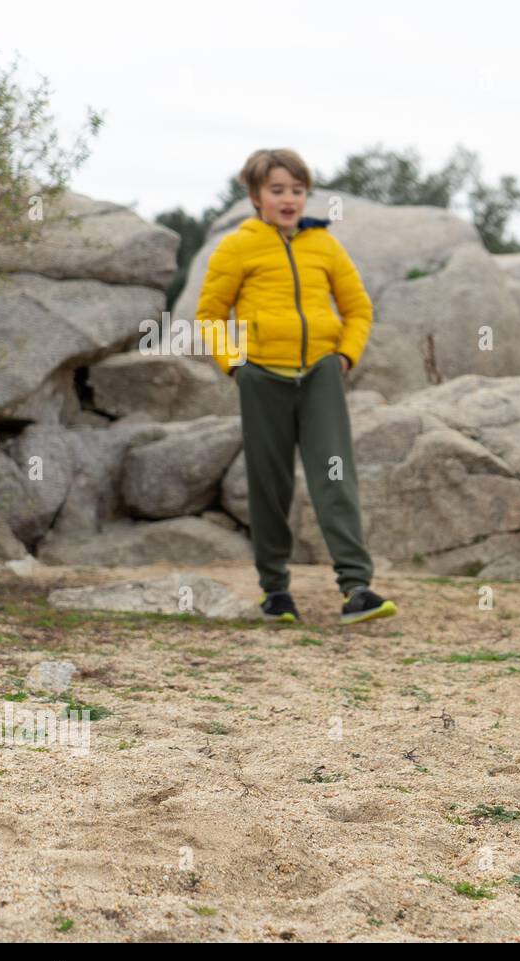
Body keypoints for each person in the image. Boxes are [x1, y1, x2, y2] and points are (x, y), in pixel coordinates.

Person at [197, 147, 397, 626]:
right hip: (261, 375)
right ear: (255, 196)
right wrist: (235, 364)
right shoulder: (237, 246)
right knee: (269, 485)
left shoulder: (324, 245)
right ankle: (275, 592)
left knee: (334, 477)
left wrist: (345, 355)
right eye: (277, 190)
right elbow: (209, 314)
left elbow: (358, 308)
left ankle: (356, 588)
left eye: (297, 190)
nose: (288, 199)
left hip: (320, 375)